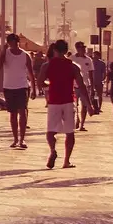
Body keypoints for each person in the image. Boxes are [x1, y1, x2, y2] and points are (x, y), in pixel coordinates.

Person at [40, 40, 88, 170]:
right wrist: (89, 104)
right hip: (68, 100)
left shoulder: (47, 65)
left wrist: (51, 84)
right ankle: (66, 161)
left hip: (54, 101)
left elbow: (40, 83)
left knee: (50, 131)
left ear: (55, 50)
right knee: (69, 132)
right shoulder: (73, 66)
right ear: (66, 51)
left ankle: (53, 150)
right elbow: (82, 86)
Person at [0, 33, 35, 149]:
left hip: (22, 86)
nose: (13, 45)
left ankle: (22, 139)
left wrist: (34, 89)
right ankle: (15, 139)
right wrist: (3, 52)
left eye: (15, 42)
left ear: (18, 42)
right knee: (13, 114)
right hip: (9, 87)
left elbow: (31, 73)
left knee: (23, 112)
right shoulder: (5, 54)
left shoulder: (25, 55)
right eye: (10, 43)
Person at [70, 42, 95, 131]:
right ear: (77, 49)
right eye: (81, 48)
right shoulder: (72, 58)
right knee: (74, 105)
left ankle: (82, 124)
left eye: (84, 48)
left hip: (85, 85)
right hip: (74, 85)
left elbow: (91, 74)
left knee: (84, 105)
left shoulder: (88, 60)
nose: (83, 50)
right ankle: (77, 119)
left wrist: (92, 88)